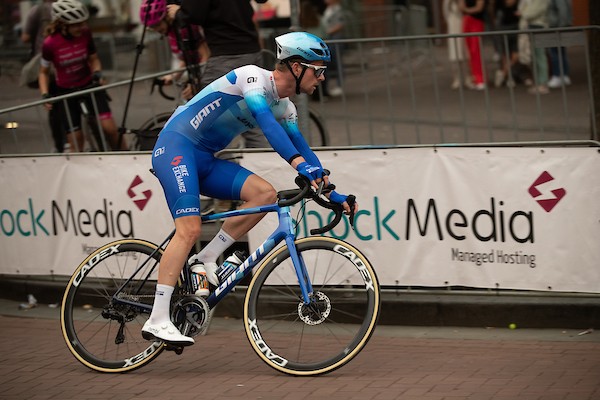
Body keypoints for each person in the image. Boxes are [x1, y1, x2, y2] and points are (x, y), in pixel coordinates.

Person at [141, 32, 358, 345]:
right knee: (188, 229)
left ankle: (207, 257)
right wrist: (300, 166)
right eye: (318, 70)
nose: (323, 77)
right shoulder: (252, 78)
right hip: (175, 147)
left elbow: (304, 149)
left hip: (202, 160)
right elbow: (267, 126)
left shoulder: (286, 107)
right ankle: (158, 318)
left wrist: (332, 192)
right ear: (297, 67)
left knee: (265, 194)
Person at [39, 0, 125, 151]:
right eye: (76, 24)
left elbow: (94, 58)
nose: (82, 27)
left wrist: (98, 72)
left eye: (83, 23)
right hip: (66, 91)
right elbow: (43, 72)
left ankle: (127, 157)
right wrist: (45, 94)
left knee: (110, 129)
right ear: (63, 24)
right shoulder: (50, 43)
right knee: (76, 141)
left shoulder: (85, 34)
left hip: (88, 85)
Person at [139, 0, 210, 101]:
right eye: (152, 27)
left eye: (158, 24)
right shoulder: (172, 32)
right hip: (198, 73)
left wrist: (197, 82)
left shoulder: (185, 28)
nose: (156, 30)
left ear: (167, 16)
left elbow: (205, 55)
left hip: (209, 72)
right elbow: (187, 58)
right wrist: (174, 76)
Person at [20, 0, 66, 153]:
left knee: (53, 105)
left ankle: (60, 144)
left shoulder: (36, 11)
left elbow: (25, 37)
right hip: (67, 59)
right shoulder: (66, 7)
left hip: (48, 63)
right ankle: (70, 139)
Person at [518, 0, 551, 94]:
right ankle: (538, 82)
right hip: (530, 26)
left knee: (540, 55)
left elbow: (530, 13)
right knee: (534, 57)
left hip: (539, 26)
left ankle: (543, 83)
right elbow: (521, 8)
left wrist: (523, 13)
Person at [459, 0, 487, 90]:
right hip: (467, 21)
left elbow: (479, 8)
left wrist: (466, 10)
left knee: (476, 49)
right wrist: (466, 9)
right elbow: (461, 7)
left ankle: (481, 79)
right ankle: (474, 77)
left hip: (477, 21)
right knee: (470, 51)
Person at [320, 0, 346, 97]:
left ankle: (339, 86)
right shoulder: (328, 9)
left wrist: (329, 31)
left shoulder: (338, 9)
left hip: (335, 37)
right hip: (329, 37)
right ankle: (329, 86)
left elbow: (340, 24)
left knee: (337, 60)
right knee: (329, 61)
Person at [491, 0, 520, 88]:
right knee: (505, 54)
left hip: (515, 26)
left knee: (516, 55)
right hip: (502, 27)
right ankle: (508, 77)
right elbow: (494, 11)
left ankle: (503, 73)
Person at [443, 0, 470, 89]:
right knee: (454, 54)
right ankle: (456, 78)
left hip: (462, 25)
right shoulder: (447, 1)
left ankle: (468, 78)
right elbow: (445, 13)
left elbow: (464, 10)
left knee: (465, 53)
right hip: (453, 27)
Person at [546, 0, 572, 88]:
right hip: (558, 27)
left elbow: (563, 10)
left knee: (554, 53)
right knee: (561, 51)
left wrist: (561, 27)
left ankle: (557, 75)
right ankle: (564, 75)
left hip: (556, 27)